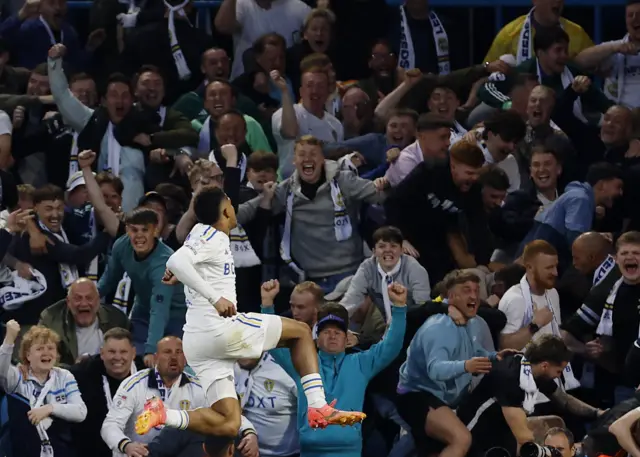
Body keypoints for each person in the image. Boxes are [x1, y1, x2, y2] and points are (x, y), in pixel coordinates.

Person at [136, 186, 366, 440]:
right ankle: (318, 407)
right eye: (231, 204)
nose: (234, 208)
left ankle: (163, 414)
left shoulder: (199, 234)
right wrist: (215, 298)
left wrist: (182, 277)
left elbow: (184, 265)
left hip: (198, 343)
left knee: (230, 423)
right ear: (225, 210)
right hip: (219, 329)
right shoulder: (214, 235)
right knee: (300, 332)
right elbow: (176, 262)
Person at [457, 335, 602, 457]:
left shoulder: (533, 370)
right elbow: (523, 437)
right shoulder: (510, 378)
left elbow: (564, 400)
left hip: (498, 429)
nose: (559, 376)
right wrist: (553, 453)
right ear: (545, 365)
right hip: (474, 430)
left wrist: (598, 413)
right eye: (558, 371)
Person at [0, 321, 87, 457]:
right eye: (40, 349)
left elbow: (81, 412)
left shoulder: (64, 376)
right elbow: (1, 370)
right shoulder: (17, 376)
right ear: (28, 355)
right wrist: (9, 339)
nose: (46, 353)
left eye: (51, 348)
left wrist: (49, 409)